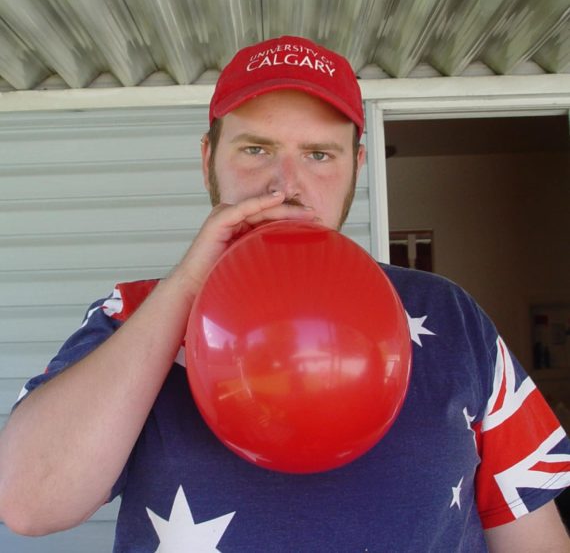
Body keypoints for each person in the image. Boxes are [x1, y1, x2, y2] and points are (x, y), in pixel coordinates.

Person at [0, 35, 568, 552]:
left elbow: (532, 534)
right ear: (208, 162)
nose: (286, 185)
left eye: (320, 155)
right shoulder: (133, 314)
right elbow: (27, 502)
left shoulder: (451, 315)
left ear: (356, 169)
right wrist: (189, 287)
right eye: (256, 150)